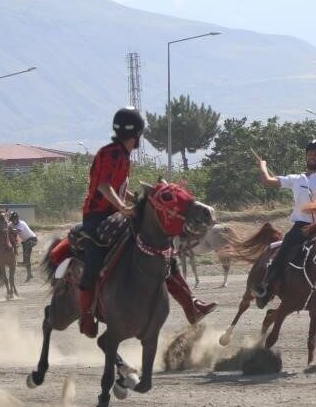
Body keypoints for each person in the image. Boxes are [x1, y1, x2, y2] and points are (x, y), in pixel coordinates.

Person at [77, 107, 216, 338]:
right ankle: (86, 316)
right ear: (137, 134)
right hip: (97, 216)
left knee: (160, 250)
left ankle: (190, 305)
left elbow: (119, 189)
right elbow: (104, 187)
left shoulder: (121, 154)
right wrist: (123, 207)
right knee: (93, 261)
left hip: (119, 213)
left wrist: (139, 201)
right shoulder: (113, 154)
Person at [253, 139, 316, 319]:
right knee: (284, 250)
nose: (312, 157)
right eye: (309, 154)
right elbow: (267, 180)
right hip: (300, 227)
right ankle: (266, 288)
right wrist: (263, 165)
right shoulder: (295, 179)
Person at [9, 211, 38, 282]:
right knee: (27, 258)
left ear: (17, 218)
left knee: (26, 253)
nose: (13, 221)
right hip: (25, 241)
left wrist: (10, 229)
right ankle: (29, 274)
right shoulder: (11, 224)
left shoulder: (22, 223)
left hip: (33, 239)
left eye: (15, 219)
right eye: (12, 219)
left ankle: (24, 262)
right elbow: (6, 226)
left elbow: (17, 231)